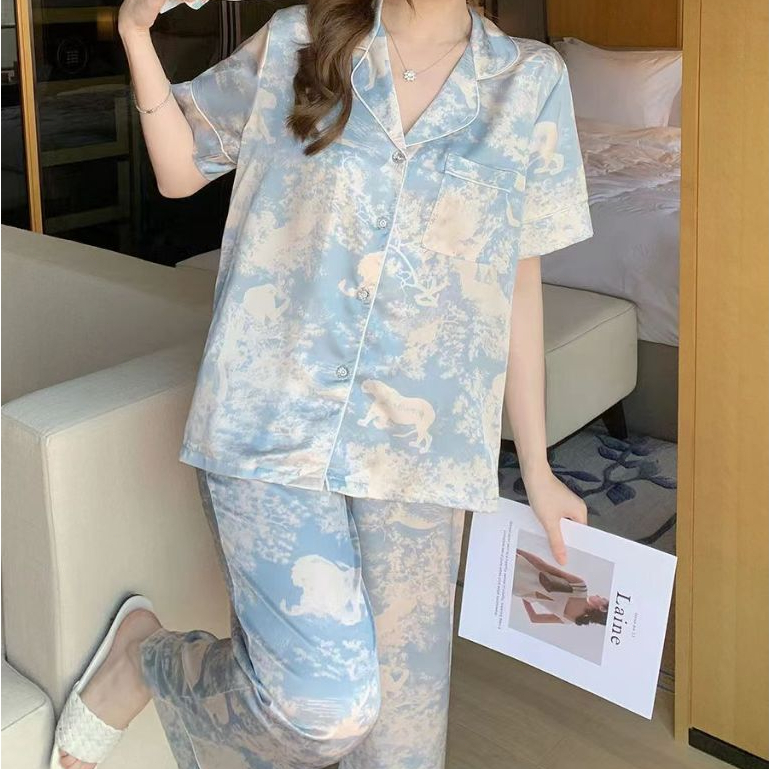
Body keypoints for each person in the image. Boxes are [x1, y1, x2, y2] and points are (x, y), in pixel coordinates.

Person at [52, 0, 594, 767]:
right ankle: (147, 659)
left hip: (419, 457)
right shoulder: (300, 39)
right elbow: (179, 172)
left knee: (401, 747)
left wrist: (535, 466)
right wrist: (136, 34)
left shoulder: (529, 81)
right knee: (325, 707)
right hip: (271, 422)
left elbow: (517, 279)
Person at [512, 548, 609, 625]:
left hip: (521, 567)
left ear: (602, 608)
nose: (598, 595)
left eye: (602, 599)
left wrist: (516, 550)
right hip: (517, 588)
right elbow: (534, 618)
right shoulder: (569, 620)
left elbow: (542, 565)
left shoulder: (581, 588)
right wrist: (525, 596)